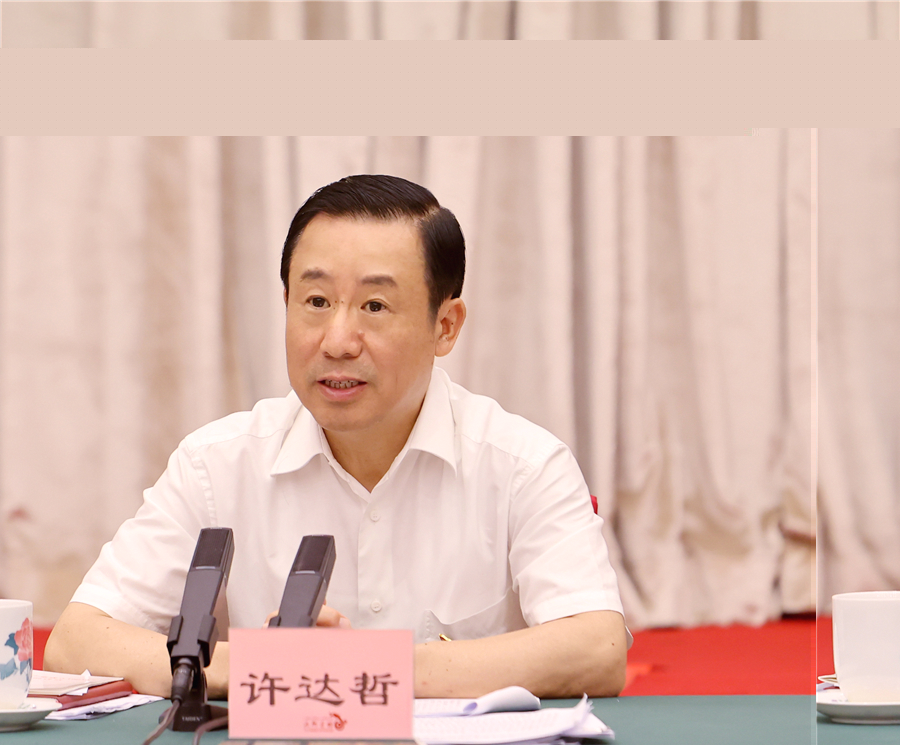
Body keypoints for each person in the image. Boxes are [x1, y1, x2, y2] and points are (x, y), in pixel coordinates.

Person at [44, 175, 630, 700]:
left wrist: (366, 669)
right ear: (286, 304)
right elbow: (77, 642)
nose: (338, 340)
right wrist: (260, 668)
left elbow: (597, 648)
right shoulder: (216, 465)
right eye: (317, 302)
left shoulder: (524, 465)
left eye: (374, 305)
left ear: (445, 326)